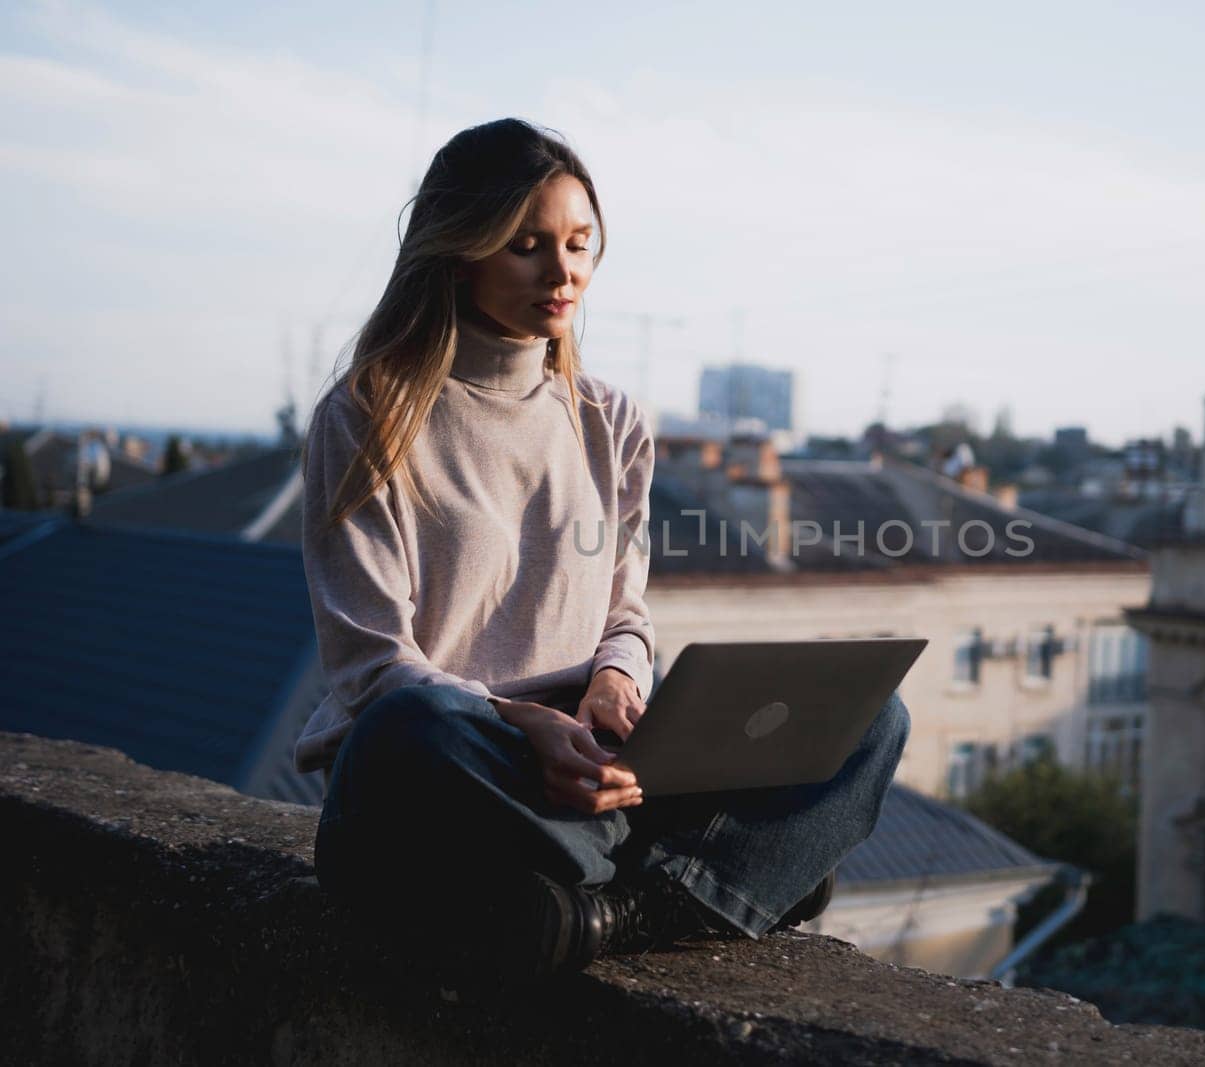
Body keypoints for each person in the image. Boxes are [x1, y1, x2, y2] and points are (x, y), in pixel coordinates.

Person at [295, 117, 911, 981]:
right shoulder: (368, 416)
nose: (563, 273)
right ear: (460, 249)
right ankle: (722, 887)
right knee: (411, 725)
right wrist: (524, 720)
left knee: (869, 719)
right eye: (527, 245)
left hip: (595, 777)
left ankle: (615, 910)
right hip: (461, 773)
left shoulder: (609, 419)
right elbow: (370, 666)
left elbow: (625, 611)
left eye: (580, 245)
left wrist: (619, 679)